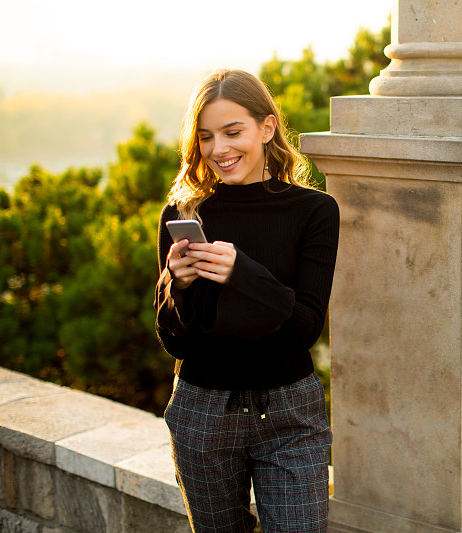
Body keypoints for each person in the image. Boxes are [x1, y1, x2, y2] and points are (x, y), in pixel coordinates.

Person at [154, 68, 339, 533]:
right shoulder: (183, 214)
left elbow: (304, 328)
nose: (219, 149)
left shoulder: (314, 211)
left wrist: (242, 274)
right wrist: (178, 286)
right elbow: (176, 342)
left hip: (290, 412)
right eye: (205, 137)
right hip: (202, 413)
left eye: (233, 132)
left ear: (267, 128)